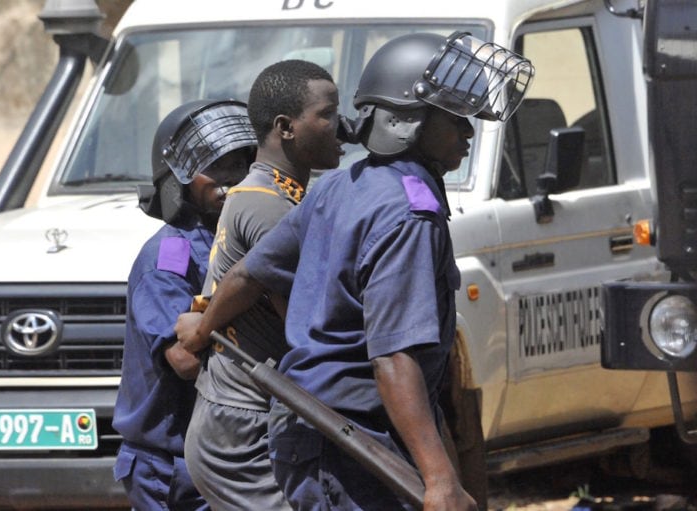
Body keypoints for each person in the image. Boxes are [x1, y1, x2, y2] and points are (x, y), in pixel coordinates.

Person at [178, 32, 533, 510]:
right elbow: (392, 359)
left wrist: (202, 328)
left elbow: (245, 276)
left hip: (310, 436)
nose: (468, 133)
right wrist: (440, 479)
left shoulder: (338, 187)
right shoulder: (409, 216)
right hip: (344, 443)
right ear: (406, 122)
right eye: (454, 119)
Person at [176, 59, 343, 511]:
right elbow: (310, 327)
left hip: (245, 417)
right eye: (327, 114)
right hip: (242, 430)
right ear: (286, 127)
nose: (340, 126)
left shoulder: (277, 195)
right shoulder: (269, 205)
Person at [112, 99, 256, 511]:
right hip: (172, 467)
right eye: (217, 167)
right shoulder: (171, 255)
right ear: (179, 180)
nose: (231, 179)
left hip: (225, 453)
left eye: (240, 163)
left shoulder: (236, 240)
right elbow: (182, 358)